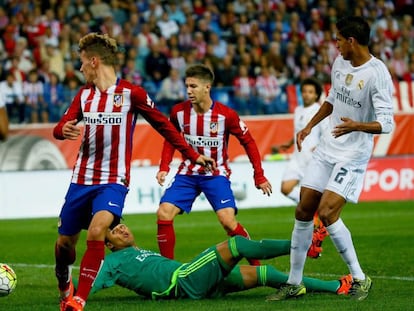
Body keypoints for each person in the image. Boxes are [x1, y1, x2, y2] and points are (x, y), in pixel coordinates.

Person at [53, 33, 215, 311]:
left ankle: (79, 300)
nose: (80, 69)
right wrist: (62, 130)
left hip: (114, 180)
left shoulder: (132, 94)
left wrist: (192, 155)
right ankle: (64, 281)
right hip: (81, 180)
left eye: (81, 62)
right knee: (65, 244)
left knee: (98, 229)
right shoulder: (84, 96)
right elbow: (61, 126)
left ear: (94, 62)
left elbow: (165, 126)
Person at [267, 16, 394, 302]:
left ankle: (360, 278)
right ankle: (294, 283)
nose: (335, 44)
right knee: (303, 209)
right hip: (327, 148)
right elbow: (332, 99)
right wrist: (310, 126)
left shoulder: (378, 73)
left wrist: (356, 126)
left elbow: (387, 123)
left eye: (338, 39)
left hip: (353, 154)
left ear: (351, 40)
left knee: (326, 212)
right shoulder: (339, 64)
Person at [156, 64, 272, 266]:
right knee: (163, 213)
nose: (188, 91)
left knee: (227, 221)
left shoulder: (226, 115)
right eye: (187, 86)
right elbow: (170, 139)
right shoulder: (178, 113)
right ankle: (167, 271)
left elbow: (249, 142)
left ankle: (257, 266)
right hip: (188, 174)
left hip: (216, 174)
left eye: (193, 86)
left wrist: (259, 175)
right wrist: (164, 166)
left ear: (207, 87)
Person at [88, 223, 353, 302]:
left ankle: (336, 287)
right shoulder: (112, 262)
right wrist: (70, 291)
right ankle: (302, 245)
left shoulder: (136, 252)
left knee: (265, 273)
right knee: (235, 244)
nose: (122, 230)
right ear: (108, 244)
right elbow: (88, 285)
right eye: (114, 231)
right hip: (183, 280)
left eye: (122, 226)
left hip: (197, 283)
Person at [271, 77, 329, 258]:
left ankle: (314, 236)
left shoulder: (320, 111)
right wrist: (286, 144)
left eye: (311, 92)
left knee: (305, 198)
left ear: (316, 94)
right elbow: (298, 131)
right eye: (304, 91)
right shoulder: (297, 110)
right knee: (285, 188)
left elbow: (326, 134)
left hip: (312, 160)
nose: (307, 94)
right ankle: (313, 211)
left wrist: (318, 147)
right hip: (297, 158)